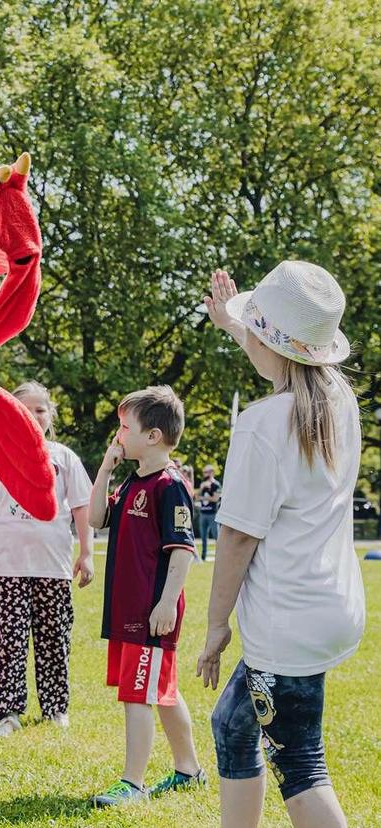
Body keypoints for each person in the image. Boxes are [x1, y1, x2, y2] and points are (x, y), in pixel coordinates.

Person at [197, 265, 364, 828]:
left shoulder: (263, 424)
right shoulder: (337, 400)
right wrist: (233, 326)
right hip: (326, 609)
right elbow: (286, 362)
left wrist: (216, 627)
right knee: (234, 722)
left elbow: (238, 536)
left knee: (301, 765)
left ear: (270, 342)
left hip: (285, 622)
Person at [88, 385, 205, 807]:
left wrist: (166, 602)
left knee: (138, 695)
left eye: (124, 427)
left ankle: (132, 783)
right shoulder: (131, 482)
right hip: (125, 611)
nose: (118, 435)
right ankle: (189, 770)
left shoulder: (170, 486)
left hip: (150, 612)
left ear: (152, 436)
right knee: (162, 691)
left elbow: (182, 553)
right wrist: (104, 469)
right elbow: (97, 518)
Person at [0, 382, 95, 737]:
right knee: (10, 638)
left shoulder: (63, 457)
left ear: (50, 415)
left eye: (40, 410)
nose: (33, 416)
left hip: (53, 568)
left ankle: (55, 708)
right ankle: (8, 712)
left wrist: (86, 553)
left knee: (54, 638)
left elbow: (81, 507)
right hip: (10, 566)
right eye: (24, 409)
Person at [197, 464, 221, 561]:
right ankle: (203, 557)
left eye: (206, 472)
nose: (204, 474)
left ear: (212, 472)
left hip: (212, 514)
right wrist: (202, 488)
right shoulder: (203, 484)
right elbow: (197, 497)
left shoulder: (216, 484)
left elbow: (215, 499)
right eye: (204, 472)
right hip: (203, 513)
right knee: (203, 537)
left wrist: (204, 498)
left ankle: (220, 556)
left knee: (216, 536)